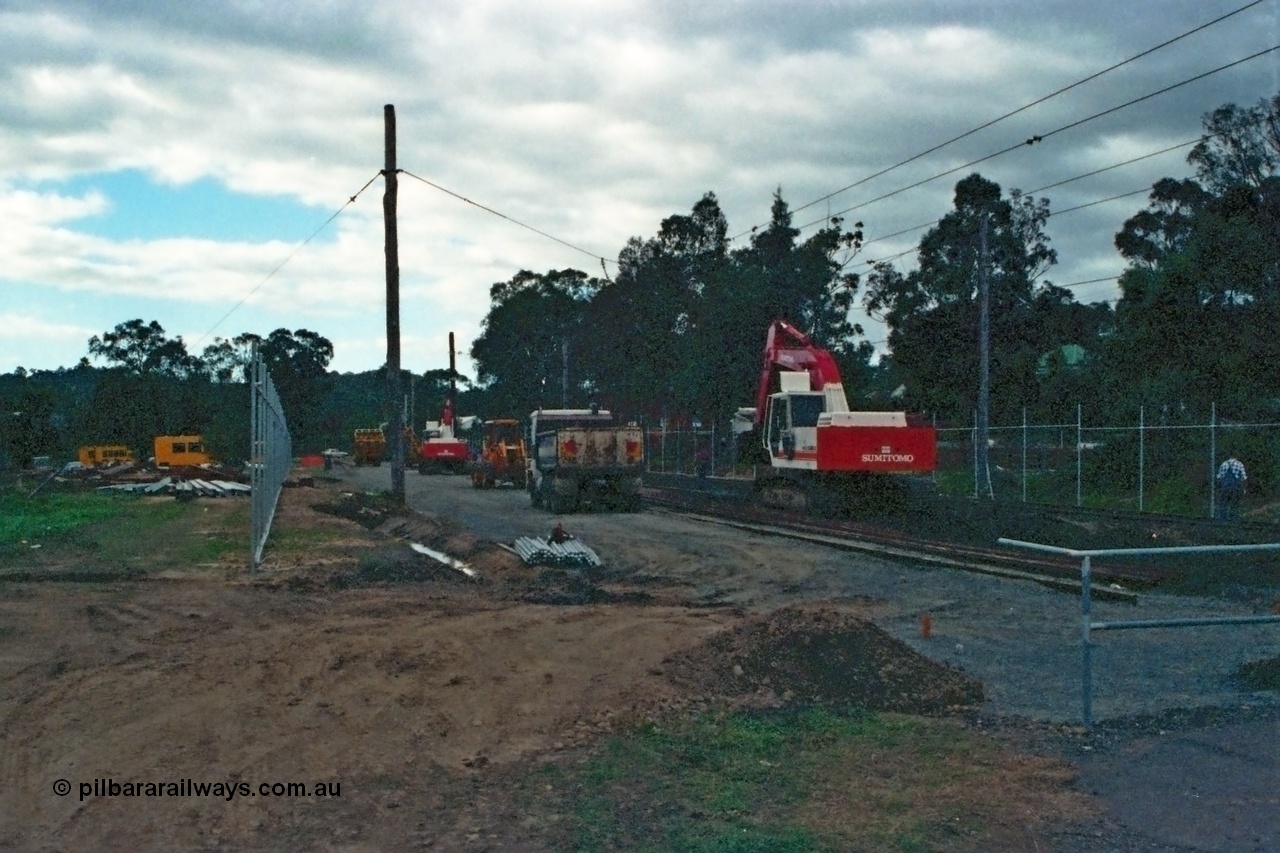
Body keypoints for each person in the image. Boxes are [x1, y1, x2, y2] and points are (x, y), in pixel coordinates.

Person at [1216, 454, 1247, 522]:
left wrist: (1219, 489)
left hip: (1225, 488)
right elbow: (1243, 478)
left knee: (1223, 503)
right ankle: (1233, 520)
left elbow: (1219, 478)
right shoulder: (1239, 464)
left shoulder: (1223, 464)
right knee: (1234, 504)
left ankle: (1221, 521)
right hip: (1235, 489)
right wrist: (1244, 489)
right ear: (1236, 457)